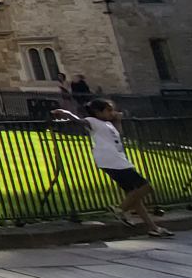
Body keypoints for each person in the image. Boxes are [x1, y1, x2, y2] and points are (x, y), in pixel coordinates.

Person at [52, 99, 172, 237]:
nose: (112, 113)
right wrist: (65, 112)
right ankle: (119, 210)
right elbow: (79, 121)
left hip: (118, 159)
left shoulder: (108, 124)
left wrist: (118, 121)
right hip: (111, 160)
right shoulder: (92, 121)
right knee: (146, 186)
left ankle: (153, 228)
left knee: (134, 197)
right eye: (108, 110)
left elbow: (118, 136)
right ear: (98, 112)